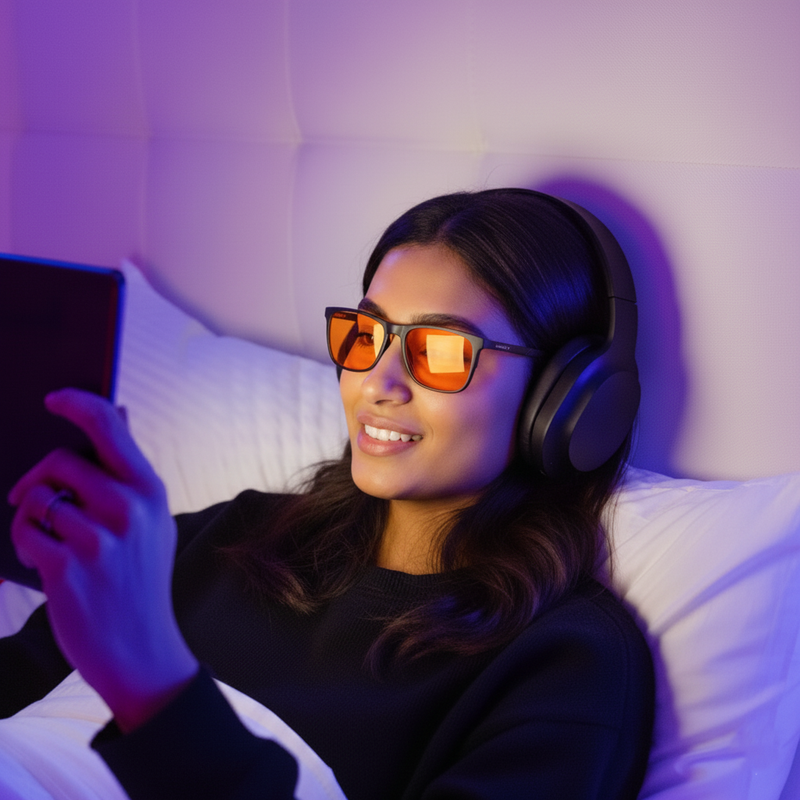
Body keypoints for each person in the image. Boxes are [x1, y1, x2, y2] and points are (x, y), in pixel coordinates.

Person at [2, 188, 654, 799]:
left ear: (565, 401)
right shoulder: (228, 538)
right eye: (365, 335)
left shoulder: (566, 663)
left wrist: (151, 680)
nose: (377, 380)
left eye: (440, 350)